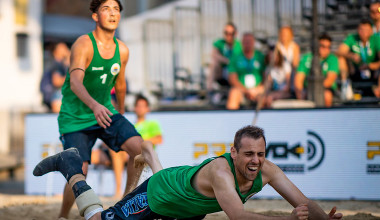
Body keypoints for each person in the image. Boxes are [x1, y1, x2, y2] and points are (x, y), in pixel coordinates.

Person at [34, 125, 343, 220]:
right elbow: (239, 217)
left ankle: (149, 158)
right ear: (233, 152)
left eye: (261, 154)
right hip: (160, 195)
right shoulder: (222, 172)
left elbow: (302, 201)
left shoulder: (268, 170)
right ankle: (71, 167)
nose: (255, 161)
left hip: (187, 210)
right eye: (248, 153)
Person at [56, 0, 161, 218]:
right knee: (79, 171)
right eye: (106, 9)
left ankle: (123, 206)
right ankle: (63, 215)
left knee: (139, 151)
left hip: (105, 113)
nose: (112, 13)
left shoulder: (122, 49)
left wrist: (121, 113)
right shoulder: (83, 44)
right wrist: (94, 106)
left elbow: (120, 84)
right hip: (75, 118)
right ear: (95, 16)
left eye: (116, 9)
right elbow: (75, 83)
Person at [336, 19, 380, 97]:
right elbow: (339, 52)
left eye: (366, 30)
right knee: (341, 58)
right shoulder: (352, 37)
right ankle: (345, 85)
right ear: (357, 30)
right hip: (356, 70)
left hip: (373, 71)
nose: (363, 32)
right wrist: (351, 55)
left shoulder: (376, 39)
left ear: (371, 31)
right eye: (361, 29)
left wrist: (370, 65)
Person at [294, 33, 339, 107]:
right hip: (308, 88)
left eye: (328, 47)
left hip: (325, 89)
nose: (326, 49)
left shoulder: (332, 59)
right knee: (302, 95)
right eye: (323, 46)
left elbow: (329, 80)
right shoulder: (307, 58)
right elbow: (298, 80)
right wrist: (301, 94)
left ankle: (326, 116)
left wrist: (314, 91)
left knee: (326, 95)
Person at [226, 33, 267, 110]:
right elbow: (232, 79)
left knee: (265, 98)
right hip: (241, 89)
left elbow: (266, 77)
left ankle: (262, 120)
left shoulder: (260, 56)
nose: (247, 44)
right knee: (233, 94)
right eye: (245, 42)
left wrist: (257, 89)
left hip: (257, 89)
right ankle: (232, 120)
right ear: (242, 43)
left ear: (253, 42)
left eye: (249, 41)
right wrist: (246, 90)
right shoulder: (235, 57)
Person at [207, 22, 242, 103]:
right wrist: (228, 61)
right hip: (223, 71)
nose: (228, 36)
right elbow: (214, 55)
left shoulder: (239, 45)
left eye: (231, 33)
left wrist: (231, 63)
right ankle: (209, 91)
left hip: (234, 73)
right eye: (226, 33)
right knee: (214, 64)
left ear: (235, 34)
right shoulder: (220, 43)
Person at [40, 42, 70, 113]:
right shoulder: (56, 64)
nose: (67, 50)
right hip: (56, 96)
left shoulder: (61, 64)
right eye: (64, 49)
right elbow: (57, 81)